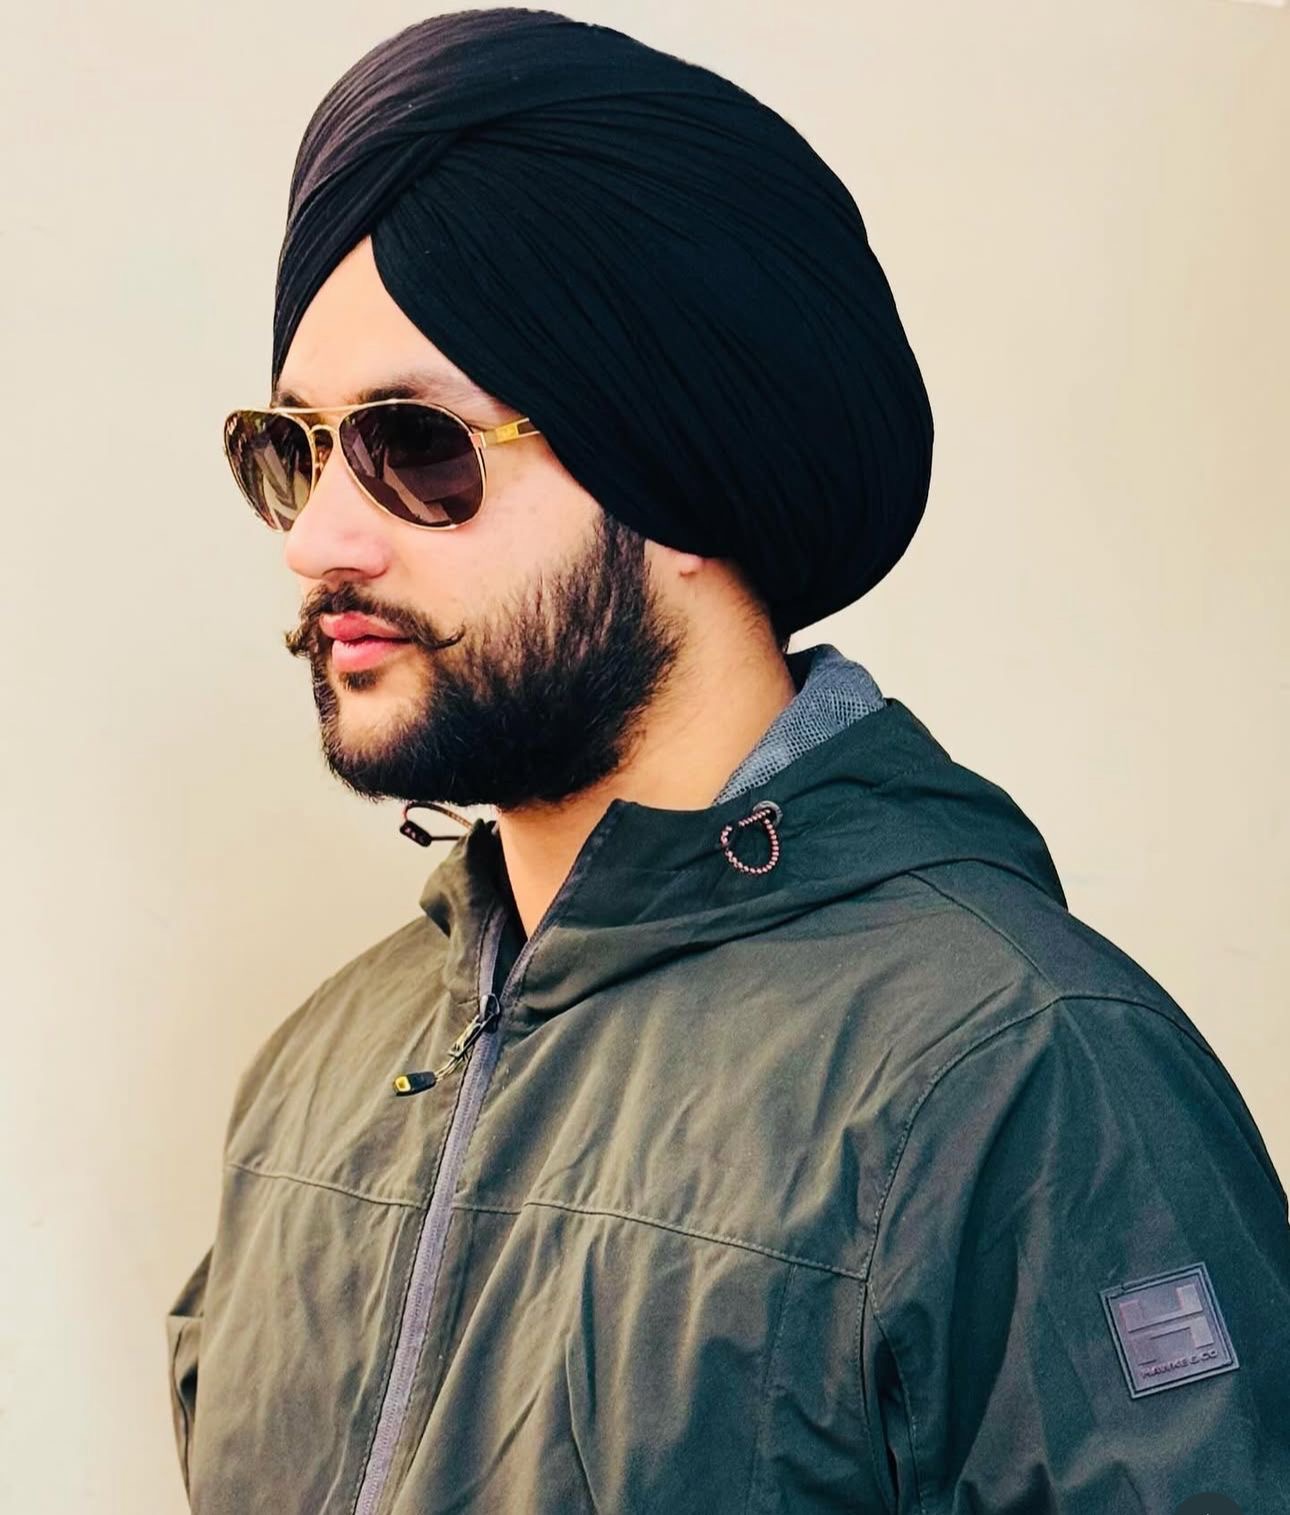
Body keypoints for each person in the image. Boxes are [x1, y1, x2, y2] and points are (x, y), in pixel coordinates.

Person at [165, 9, 1290, 1512]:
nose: (317, 539)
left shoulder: (1017, 1076)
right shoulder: (314, 1078)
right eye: (292, 450)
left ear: (672, 473)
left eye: (415, 448)